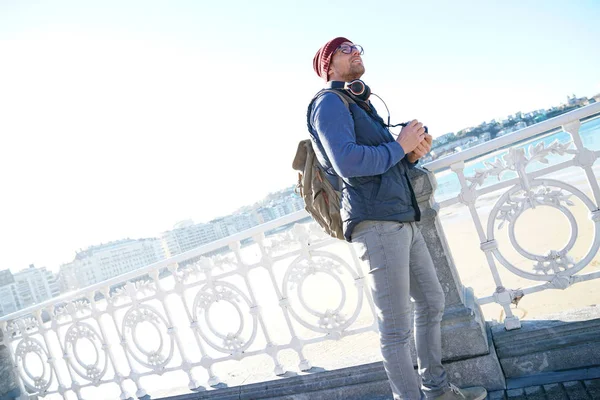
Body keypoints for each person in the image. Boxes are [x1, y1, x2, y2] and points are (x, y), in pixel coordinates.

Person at [307, 37, 488, 400]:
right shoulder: (328, 103)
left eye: (358, 47)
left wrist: (411, 154)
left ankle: (436, 391)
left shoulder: (360, 104)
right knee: (395, 330)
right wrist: (400, 145)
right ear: (328, 65)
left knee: (433, 301)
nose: (356, 51)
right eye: (345, 49)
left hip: (403, 217)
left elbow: (384, 162)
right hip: (376, 224)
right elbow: (349, 163)